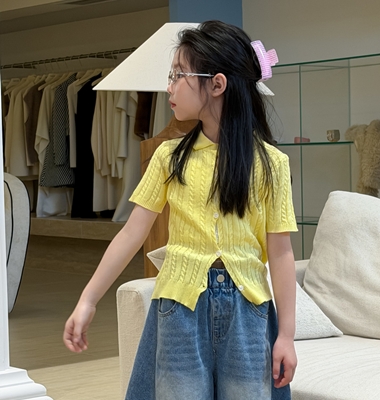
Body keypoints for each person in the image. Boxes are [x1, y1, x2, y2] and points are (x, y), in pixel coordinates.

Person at [63, 20, 298, 400]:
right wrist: (88, 299)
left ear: (217, 84)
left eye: (178, 75)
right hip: (179, 311)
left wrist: (286, 334)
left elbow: (281, 252)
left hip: (249, 314)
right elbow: (131, 232)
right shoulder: (168, 157)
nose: (169, 87)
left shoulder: (271, 164)